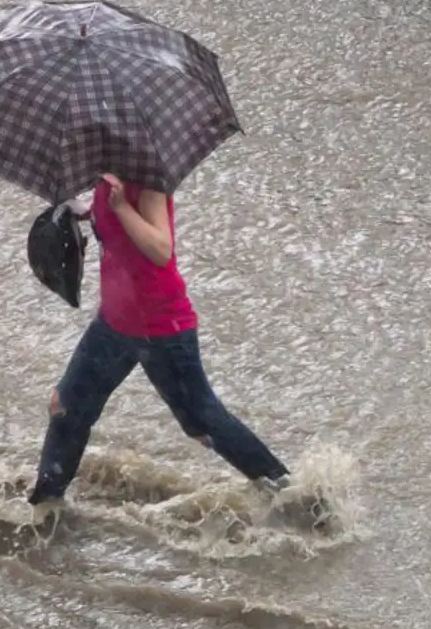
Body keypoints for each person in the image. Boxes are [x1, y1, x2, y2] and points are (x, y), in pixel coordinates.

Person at [28, 172, 327, 528]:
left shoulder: (148, 178)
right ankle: (46, 510)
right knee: (66, 407)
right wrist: (81, 210)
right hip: (113, 325)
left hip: (162, 329)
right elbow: (107, 219)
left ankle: (293, 499)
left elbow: (160, 248)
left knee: (203, 424)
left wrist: (122, 208)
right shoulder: (105, 177)